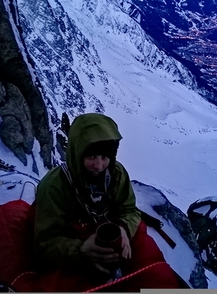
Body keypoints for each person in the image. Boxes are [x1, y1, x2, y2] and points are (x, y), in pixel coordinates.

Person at [33, 113, 181, 292]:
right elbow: (46, 240)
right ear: (77, 153)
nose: (99, 165)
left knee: (157, 275)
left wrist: (124, 229)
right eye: (91, 157)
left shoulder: (117, 174)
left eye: (105, 157)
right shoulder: (54, 186)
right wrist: (81, 251)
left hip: (112, 236)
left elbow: (129, 210)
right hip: (76, 247)